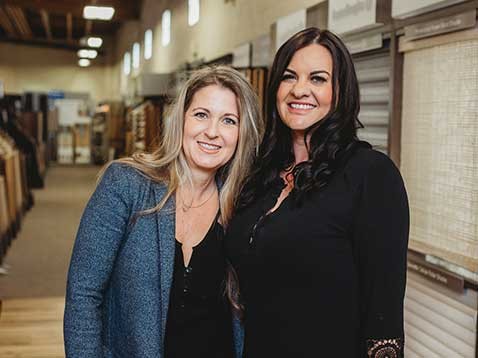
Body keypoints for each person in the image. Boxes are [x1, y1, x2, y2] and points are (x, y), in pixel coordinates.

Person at [225, 28, 409, 357]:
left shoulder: (371, 174)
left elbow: (383, 314)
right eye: (289, 76)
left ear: (341, 90)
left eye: (318, 79)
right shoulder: (259, 174)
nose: (300, 90)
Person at [64, 65, 263, 357]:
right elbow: (83, 294)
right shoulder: (127, 184)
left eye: (229, 121)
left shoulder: (242, 204)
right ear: (180, 119)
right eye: (201, 115)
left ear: (241, 133)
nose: (212, 131)